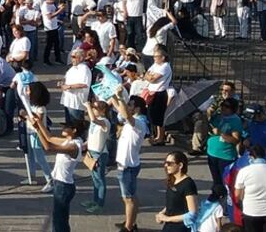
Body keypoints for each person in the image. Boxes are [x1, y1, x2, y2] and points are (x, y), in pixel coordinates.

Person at [30, 114, 84, 232]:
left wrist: (37, 129)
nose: (63, 129)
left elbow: (48, 147)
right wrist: (39, 122)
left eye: (66, 127)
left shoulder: (73, 146)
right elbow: (49, 138)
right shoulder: (70, 141)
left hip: (63, 186)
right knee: (60, 218)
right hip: (61, 184)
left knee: (59, 220)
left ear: (74, 130)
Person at [110, 89, 149, 232]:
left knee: (128, 199)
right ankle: (131, 222)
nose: (128, 106)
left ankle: (128, 228)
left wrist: (120, 97)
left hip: (127, 167)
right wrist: (112, 95)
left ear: (137, 108)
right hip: (127, 165)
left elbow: (125, 114)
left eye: (130, 104)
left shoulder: (139, 122)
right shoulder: (134, 120)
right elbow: (120, 109)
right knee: (131, 196)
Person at [233, 145, 266, 232]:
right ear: (264, 156)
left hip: (251, 211)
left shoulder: (244, 172)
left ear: (251, 157)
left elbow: (237, 194)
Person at [205, 98, 243, 199]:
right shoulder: (218, 116)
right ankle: (216, 194)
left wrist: (221, 134)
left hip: (225, 156)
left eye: (227, 106)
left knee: (225, 181)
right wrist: (209, 114)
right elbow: (209, 126)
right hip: (212, 153)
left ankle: (227, 200)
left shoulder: (235, 120)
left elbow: (236, 140)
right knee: (216, 179)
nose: (223, 108)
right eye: (222, 105)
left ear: (232, 109)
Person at [155, 151, 199, 232]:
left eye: (169, 163)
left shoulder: (188, 184)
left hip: (181, 228)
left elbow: (192, 214)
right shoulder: (172, 180)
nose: (166, 165)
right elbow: (173, 204)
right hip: (169, 226)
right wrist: (162, 213)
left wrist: (167, 218)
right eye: (165, 162)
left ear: (180, 165)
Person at [81, 99, 110, 213]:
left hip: (100, 154)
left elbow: (93, 119)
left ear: (103, 110)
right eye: (93, 107)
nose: (93, 109)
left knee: (100, 179)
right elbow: (92, 135)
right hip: (91, 152)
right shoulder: (95, 122)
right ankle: (95, 200)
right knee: (94, 179)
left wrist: (88, 106)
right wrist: (86, 144)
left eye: (95, 108)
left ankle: (100, 204)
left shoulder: (105, 121)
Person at [145, 46, 173, 145]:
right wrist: (149, 76)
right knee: (153, 115)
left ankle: (161, 138)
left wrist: (150, 77)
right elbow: (147, 74)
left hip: (160, 93)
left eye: (156, 56)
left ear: (163, 57)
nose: (154, 58)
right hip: (152, 92)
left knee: (159, 116)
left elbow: (152, 79)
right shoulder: (155, 65)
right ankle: (157, 136)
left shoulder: (165, 66)